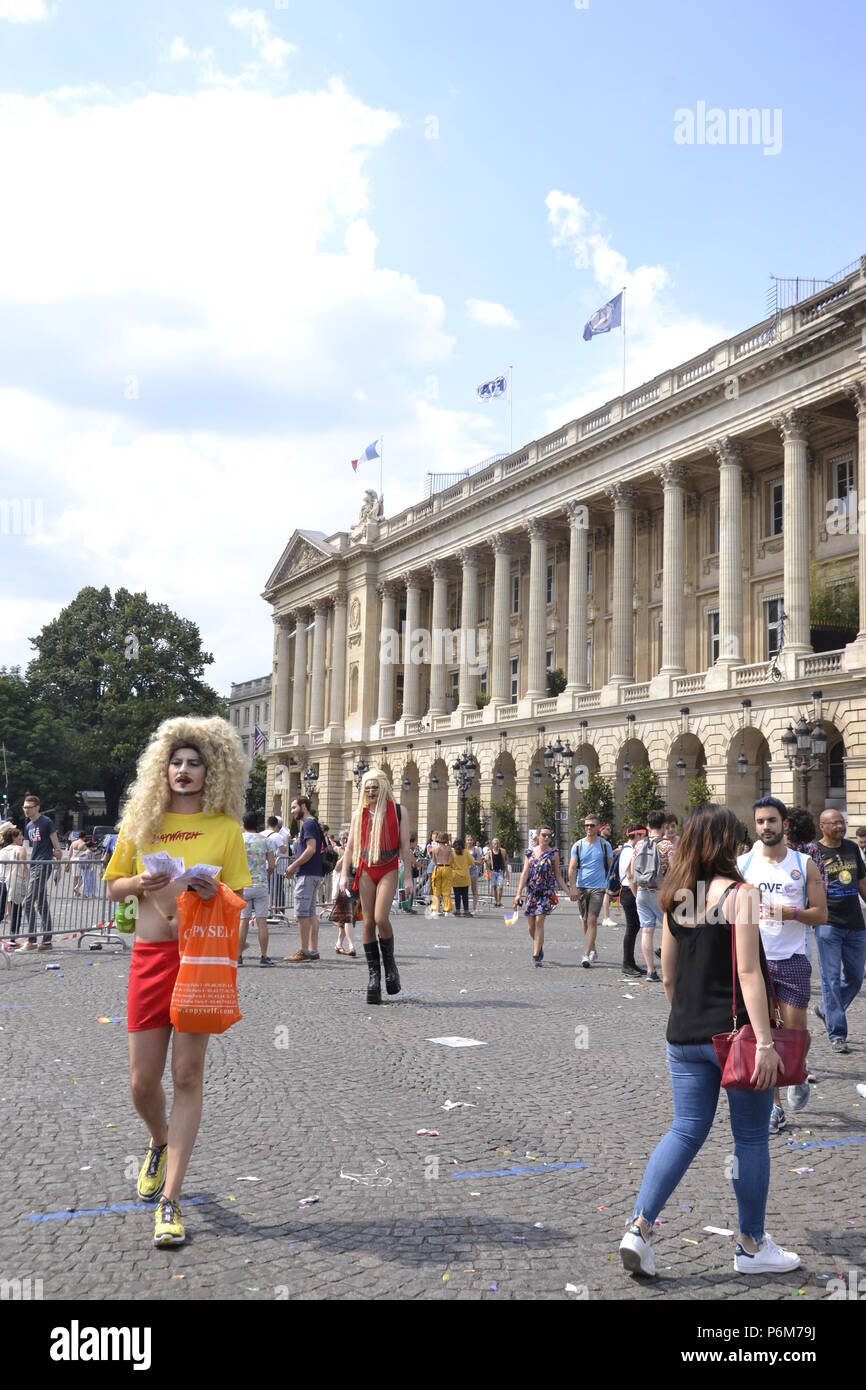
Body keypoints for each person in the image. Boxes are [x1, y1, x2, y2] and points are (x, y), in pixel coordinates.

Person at [619, 804, 800, 1279]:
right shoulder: (740, 894)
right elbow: (748, 972)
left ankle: (638, 1227)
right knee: (750, 1138)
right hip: (735, 1036)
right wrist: (764, 1041)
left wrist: (688, 1016)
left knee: (684, 1131)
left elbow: (667, 976)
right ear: (725, 844)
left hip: (684, 1034)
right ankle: (751, 1244)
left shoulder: (679, 896)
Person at [104, 715, 251, 1249]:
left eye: (195, 763)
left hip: (200, 962)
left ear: (210, 773)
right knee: (142, 1082)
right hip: (150, 958)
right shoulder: (141, 823)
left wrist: (215, 894)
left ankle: (170, 1201)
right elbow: (113, 887)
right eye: (176, 762)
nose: (184, 771)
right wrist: (139, 881)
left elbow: (240, 896)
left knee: (187, 1077)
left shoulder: (225, 829)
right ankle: (158, 1140)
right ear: (161, 769)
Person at [738, 797, 827, 1133]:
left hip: (791, 960)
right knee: (769, 1038)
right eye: (760, 821)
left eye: (772, 821)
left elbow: (821, 914)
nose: (765, 827)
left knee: (795, 1036)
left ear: (783, 823)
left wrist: (790, 913)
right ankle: (773, 1107)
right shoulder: (743, 864)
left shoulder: (804, 865)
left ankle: (798, 1071)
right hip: (754, 963)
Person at [340, 768, 409, 1005]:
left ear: (384, 788)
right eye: (367, 789)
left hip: (388, 865)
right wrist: (343, 875)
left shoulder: (399, 811)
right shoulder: (359, 813)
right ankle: (374, 975)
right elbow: (349, 847)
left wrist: (408, 877)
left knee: (381, 918)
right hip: (366, 867)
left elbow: (405, 849)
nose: (370, 792)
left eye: (375, 788)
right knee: (367, 921)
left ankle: (390, 965)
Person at [812, 808, 866, 1055]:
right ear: (822, 826)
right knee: (830, 979)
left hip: (855, 923)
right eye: (833, 823)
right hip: (827, 924)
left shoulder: (852, 848)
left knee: (855, 977)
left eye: (842, 822)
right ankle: (837, 1034)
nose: (840, 827)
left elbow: (862, 883)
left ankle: (826, 1009)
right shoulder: (813, 852)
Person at [513, 827, 574, 967]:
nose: (546, 838)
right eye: (544, 835)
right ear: (538, 836)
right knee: (531, 926)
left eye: (549, 835)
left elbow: (558, 875)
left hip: (546, 892)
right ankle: (538, 944)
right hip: (531, 893)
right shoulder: (529, 853)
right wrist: (518, 894)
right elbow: (524, 874)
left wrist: (568, 891)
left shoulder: (554, 854)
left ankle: (536, 956)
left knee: (540, 921)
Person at [627, 810, 675, 981]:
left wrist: (636, 893)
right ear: (663, 826)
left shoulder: (639, 845)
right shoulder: (667, 845)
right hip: (661, 892)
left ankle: (650, 971)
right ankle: (670, 969)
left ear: (648, 825)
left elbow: (631, 873)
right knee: (670, 930)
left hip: (642, 892)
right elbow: (675, 870)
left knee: (647, 931)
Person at [568, 815, 613, 968]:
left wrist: (611, 886)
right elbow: (572, 868)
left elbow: (610, 866)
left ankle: (586, 954)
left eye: (592, 825)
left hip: (598, 888)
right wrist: (573, 887)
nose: (589, 828)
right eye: (587, 825)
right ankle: (592, 948)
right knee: (585, 920)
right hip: (581, 887)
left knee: (592, 920)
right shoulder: (578, 845)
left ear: (598, 827)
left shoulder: (605, 845)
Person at [283, 795, 324, 963]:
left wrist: (293, 866)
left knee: (301, 913)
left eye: (294, 807)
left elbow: (311, 849)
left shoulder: (307, 824)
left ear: (303, 807)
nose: (292, 811)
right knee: (311, 913)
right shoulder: (313, 823)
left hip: (307, 874)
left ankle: (304, 950)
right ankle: (313, 950)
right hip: (314, 873)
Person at [21, 792, 63, 951]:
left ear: (37, 807)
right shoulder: (28, 826)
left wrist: (58, 866)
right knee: (41, 904)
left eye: (30, 807)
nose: (26, 810)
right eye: (24, 807)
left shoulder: (46, 822)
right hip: (35, 865)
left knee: (28, 902)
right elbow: (38, 847)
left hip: (43, 866)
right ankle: (46, 941)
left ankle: (32, 940)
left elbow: (57, 847)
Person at [238, 812, 275, 967]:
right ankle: (264, 956)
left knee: (243, 921)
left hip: (244, 884)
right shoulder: (265, 840)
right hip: (260, 884)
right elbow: (272, 864)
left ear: (243, 824)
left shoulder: (239, 840)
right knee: (261, 921)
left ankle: (238, 956)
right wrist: (266, 875)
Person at [617, 826, 644, 978]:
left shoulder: (627, 849)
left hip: (628, 891)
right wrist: (637, 896)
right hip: (629, 891)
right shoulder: (629, 851)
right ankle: (627, 963)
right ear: (637, 835)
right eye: (643, 836)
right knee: (632, 928)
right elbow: (630, 875)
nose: (644, 840)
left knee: (634, 928)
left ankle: (630, 962)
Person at [0, 824, 27, 939]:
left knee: (1, 910)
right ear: (14, 838)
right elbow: (23, 866)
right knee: (16, 909)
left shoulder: (2, 850)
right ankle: (13, 936)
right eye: (19, 835)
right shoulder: (20, 849)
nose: (22, 837)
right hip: (15, 881)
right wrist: (27, 880)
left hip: (1, 881)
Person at [264, 815, 290, 918]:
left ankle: (269, 910)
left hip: (263, 866)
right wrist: (287, 841)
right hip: (274, 866)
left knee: (268, 889)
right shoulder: (276, 836)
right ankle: (277, 911)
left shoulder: (261, 834)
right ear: (276, 826)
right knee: (277, 889)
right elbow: (283, 850)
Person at [429, 832, 455, 917]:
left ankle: (435, 910)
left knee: (436, 889)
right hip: (447, 868)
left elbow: (433, 860)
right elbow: (451, 860)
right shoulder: (449, 849)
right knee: (446, 889)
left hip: (438, 868)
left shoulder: (435, 849)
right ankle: (447, 910)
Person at [451, 838, 473, 917]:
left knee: (457, 895)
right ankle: (466, 911)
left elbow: (449, 863)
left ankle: (457, 910)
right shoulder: (466, 852)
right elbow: (472, 862)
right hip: (465, 876)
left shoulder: (452, 853)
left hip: (455, 876)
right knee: (465, 895)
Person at [489, 837, 507, 908]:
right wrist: (487, 870)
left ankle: (499, 902)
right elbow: (487, 862)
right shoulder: (490, 852)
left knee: (500, 887)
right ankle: (496, 902)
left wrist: (506, 871)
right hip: (493, 871)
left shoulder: (502, 851)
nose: (496, 845)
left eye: (497, 843)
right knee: (494, 887)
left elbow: (505, 861)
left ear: (499, 844)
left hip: (500, 871)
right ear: (492, 845)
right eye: (494, 843)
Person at [466, 835, 482, 913]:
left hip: (473, 871)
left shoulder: (476, 850)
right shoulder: (464, 850)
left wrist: (472, 861)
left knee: (474, 890)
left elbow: (480, 862)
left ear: (473, 841)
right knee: (464, 890)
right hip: (464, 871)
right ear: (466, 841)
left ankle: (474, 908)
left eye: (471, 840)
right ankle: (465, 908)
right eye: (468, 840)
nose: (469, 841)